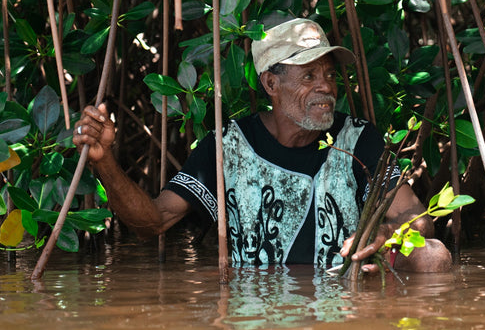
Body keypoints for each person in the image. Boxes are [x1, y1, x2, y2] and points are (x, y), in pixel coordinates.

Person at [73, 18, 451, 272]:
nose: (326, 86)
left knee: (433, 256)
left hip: (343, 297)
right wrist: (104, 162)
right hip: (257, 307)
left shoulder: (358, 137)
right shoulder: (228, 146)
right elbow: (153, 222)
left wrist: (384, 233)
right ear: (271, 83)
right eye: (309, 75)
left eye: (329, 74)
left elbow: (418, 219)